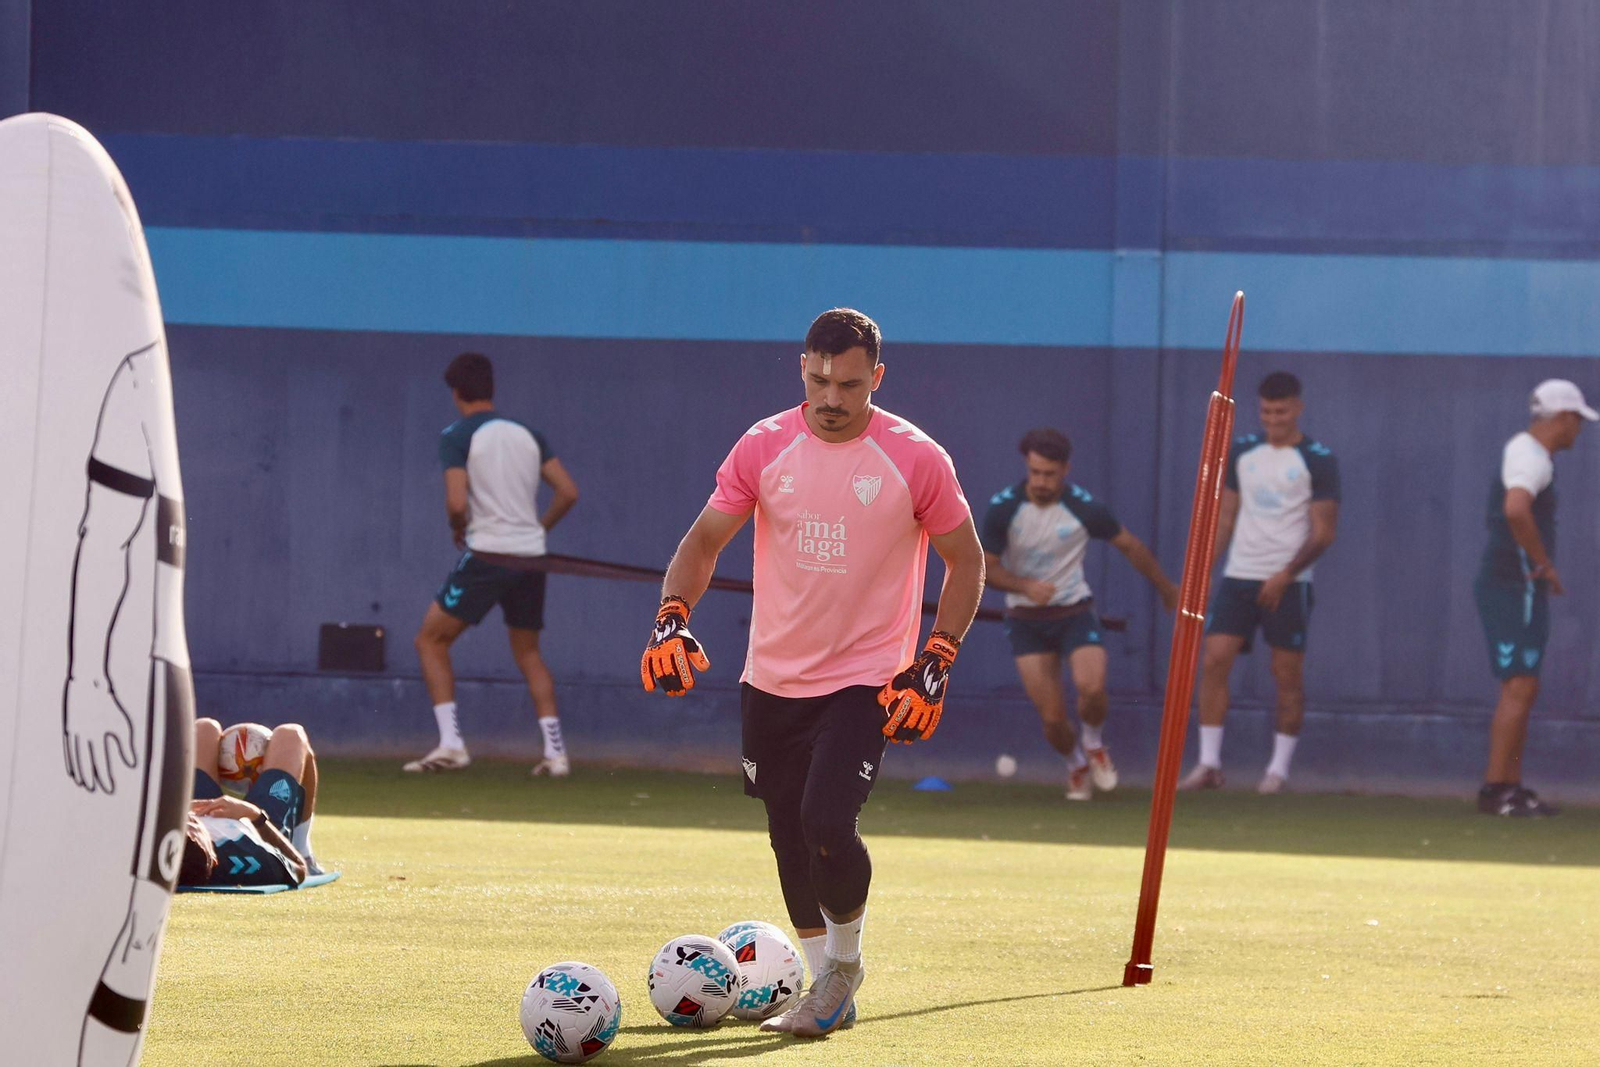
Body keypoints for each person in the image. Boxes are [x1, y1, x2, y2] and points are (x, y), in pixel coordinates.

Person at [640, 309, 984, 1038]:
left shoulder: (916, 456)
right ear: (802, 367)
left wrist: (938, 655)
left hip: (868, 675)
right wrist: (672, 612)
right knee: (787, 832)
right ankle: (825, 977)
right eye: (820, 379)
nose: (832, 397)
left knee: (827, 819)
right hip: (772, 675)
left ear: (876, 379)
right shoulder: (763, 446)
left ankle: (844, 967)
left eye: (850, 384)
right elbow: (703, 541)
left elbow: (967, 560)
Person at [404, 352, 580, 777]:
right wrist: (538, 529)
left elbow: (456, 502)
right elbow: (568, 492)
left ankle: (451, 745)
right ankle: (556, 756)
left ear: (456, 393)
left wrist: (457, 528)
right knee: (529, 652)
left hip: (487, 554)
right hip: (530, 557)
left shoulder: (456, 435)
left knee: (430, 641)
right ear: (491, 389)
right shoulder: (528, 434)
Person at [981, 428, 1177, 800]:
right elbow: (986, 569)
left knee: (1092, 690)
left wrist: (1168, 590)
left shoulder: (1085, 509)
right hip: (1026, 622)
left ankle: (1093, 742)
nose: (1040, 482)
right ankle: (1076, 765)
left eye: (1049, 474)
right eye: (1034, 472)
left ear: (1065, 470)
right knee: (1053, 719)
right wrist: (1025, 586)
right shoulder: (1004, 508)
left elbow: (1131, 547)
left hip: (1075, 612)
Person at [1180, 371, 1339, 794]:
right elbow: (1226, 518)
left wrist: (1285, 574)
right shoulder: (1243, 452)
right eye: (1266, 411)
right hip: (1239, 576)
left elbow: (1324, 531)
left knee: (1285, 673)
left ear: (1298, 408)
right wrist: (1203, 573)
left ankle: (1277, 770)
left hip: (1289, 582)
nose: (1273, 418)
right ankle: (1209, 763)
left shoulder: (1318, 459)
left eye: (1281, 411)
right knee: (1214, 660)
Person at [1472, 380, 1595, 817]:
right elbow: (1515, 508)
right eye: (1577, 420)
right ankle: (1496, 790)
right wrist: (1542, 563)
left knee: (1525, 684)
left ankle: (1511, 785)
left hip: (1519, 584)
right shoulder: (1529, 456)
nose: (1578, 430)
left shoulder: (1532, 454)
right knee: (1519, 685)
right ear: (1561, 418)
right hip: (1513, 582)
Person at [178, 719, 320, 887]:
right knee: (291, 734)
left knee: (203, 729)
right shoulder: (248, 860)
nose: (191, 825)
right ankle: (302, 848)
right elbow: (298, 868)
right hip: (259, 832)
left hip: (201, 808)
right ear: (213, 859)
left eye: (186, 832)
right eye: (194, 833)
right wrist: (254, 815)